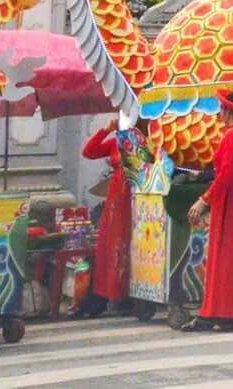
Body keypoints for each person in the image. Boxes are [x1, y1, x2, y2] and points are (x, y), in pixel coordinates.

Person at [185, 90, 233, 331]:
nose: (220, 113)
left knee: (223, 260)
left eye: (222, 109)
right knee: (231, 261)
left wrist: (204, 200)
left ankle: (222, 314)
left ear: (229, 112)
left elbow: (225, 174)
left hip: (230, 203)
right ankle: (225, 313)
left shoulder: (231, 137)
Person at [76, 117, 147, 317]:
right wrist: (106, 129)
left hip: (136, 196)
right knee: (109, 246)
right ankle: (105, 293)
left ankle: (126, 294)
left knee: (128, 245)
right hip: (116, 198)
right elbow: (89, 152)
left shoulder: (145, 141)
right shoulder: (118, 141)